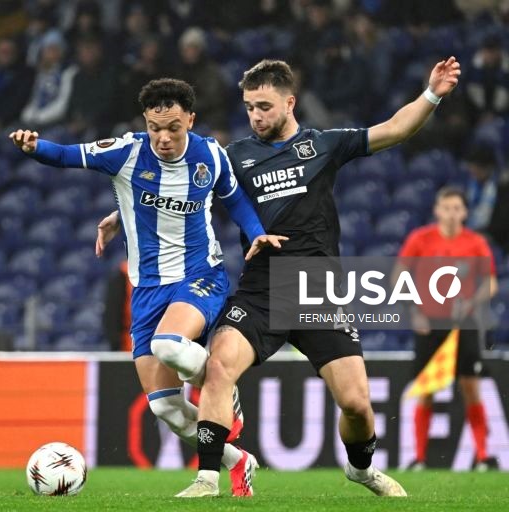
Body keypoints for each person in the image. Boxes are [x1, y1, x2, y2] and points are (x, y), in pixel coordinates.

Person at [174, 56, 460, 497]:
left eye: (264, 106)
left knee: (356, 404)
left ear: (290, 102)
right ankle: (208, 477)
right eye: (249, 106)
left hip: (316, 292)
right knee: (219, 366)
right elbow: (179, 190)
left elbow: (395, 129)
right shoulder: (233, 158)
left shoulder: (323, 145)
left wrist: (431, 94)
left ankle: (361, 470)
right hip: (261, 289)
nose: (255, 115)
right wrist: (120, 216)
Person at [10, 78, 285, 497]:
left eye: (173, 127)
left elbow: (234, 199)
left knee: (170, 345)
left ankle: (223, 388)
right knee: (167, 410)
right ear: (145, 122)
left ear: (190, 120)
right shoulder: (127, 152)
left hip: (200, 276)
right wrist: (35, 148)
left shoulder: (210, 154)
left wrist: (257, 232)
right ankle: (238, 460)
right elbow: (69, 155)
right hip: (146, 289)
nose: (163, 137)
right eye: (155, 127)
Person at [397, 186, 498, 471]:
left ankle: (482, 456)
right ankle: (419, 458)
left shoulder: (475, 242)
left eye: (457, 208)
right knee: (426, 389)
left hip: (463, 324)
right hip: (430, 324)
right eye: (447, 208)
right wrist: (414, 311)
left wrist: (471, 303)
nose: (452, 214)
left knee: (471, 387)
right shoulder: (420, 239)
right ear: (437, 210)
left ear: (465, 212)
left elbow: (490, 283)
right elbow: (399, 276)